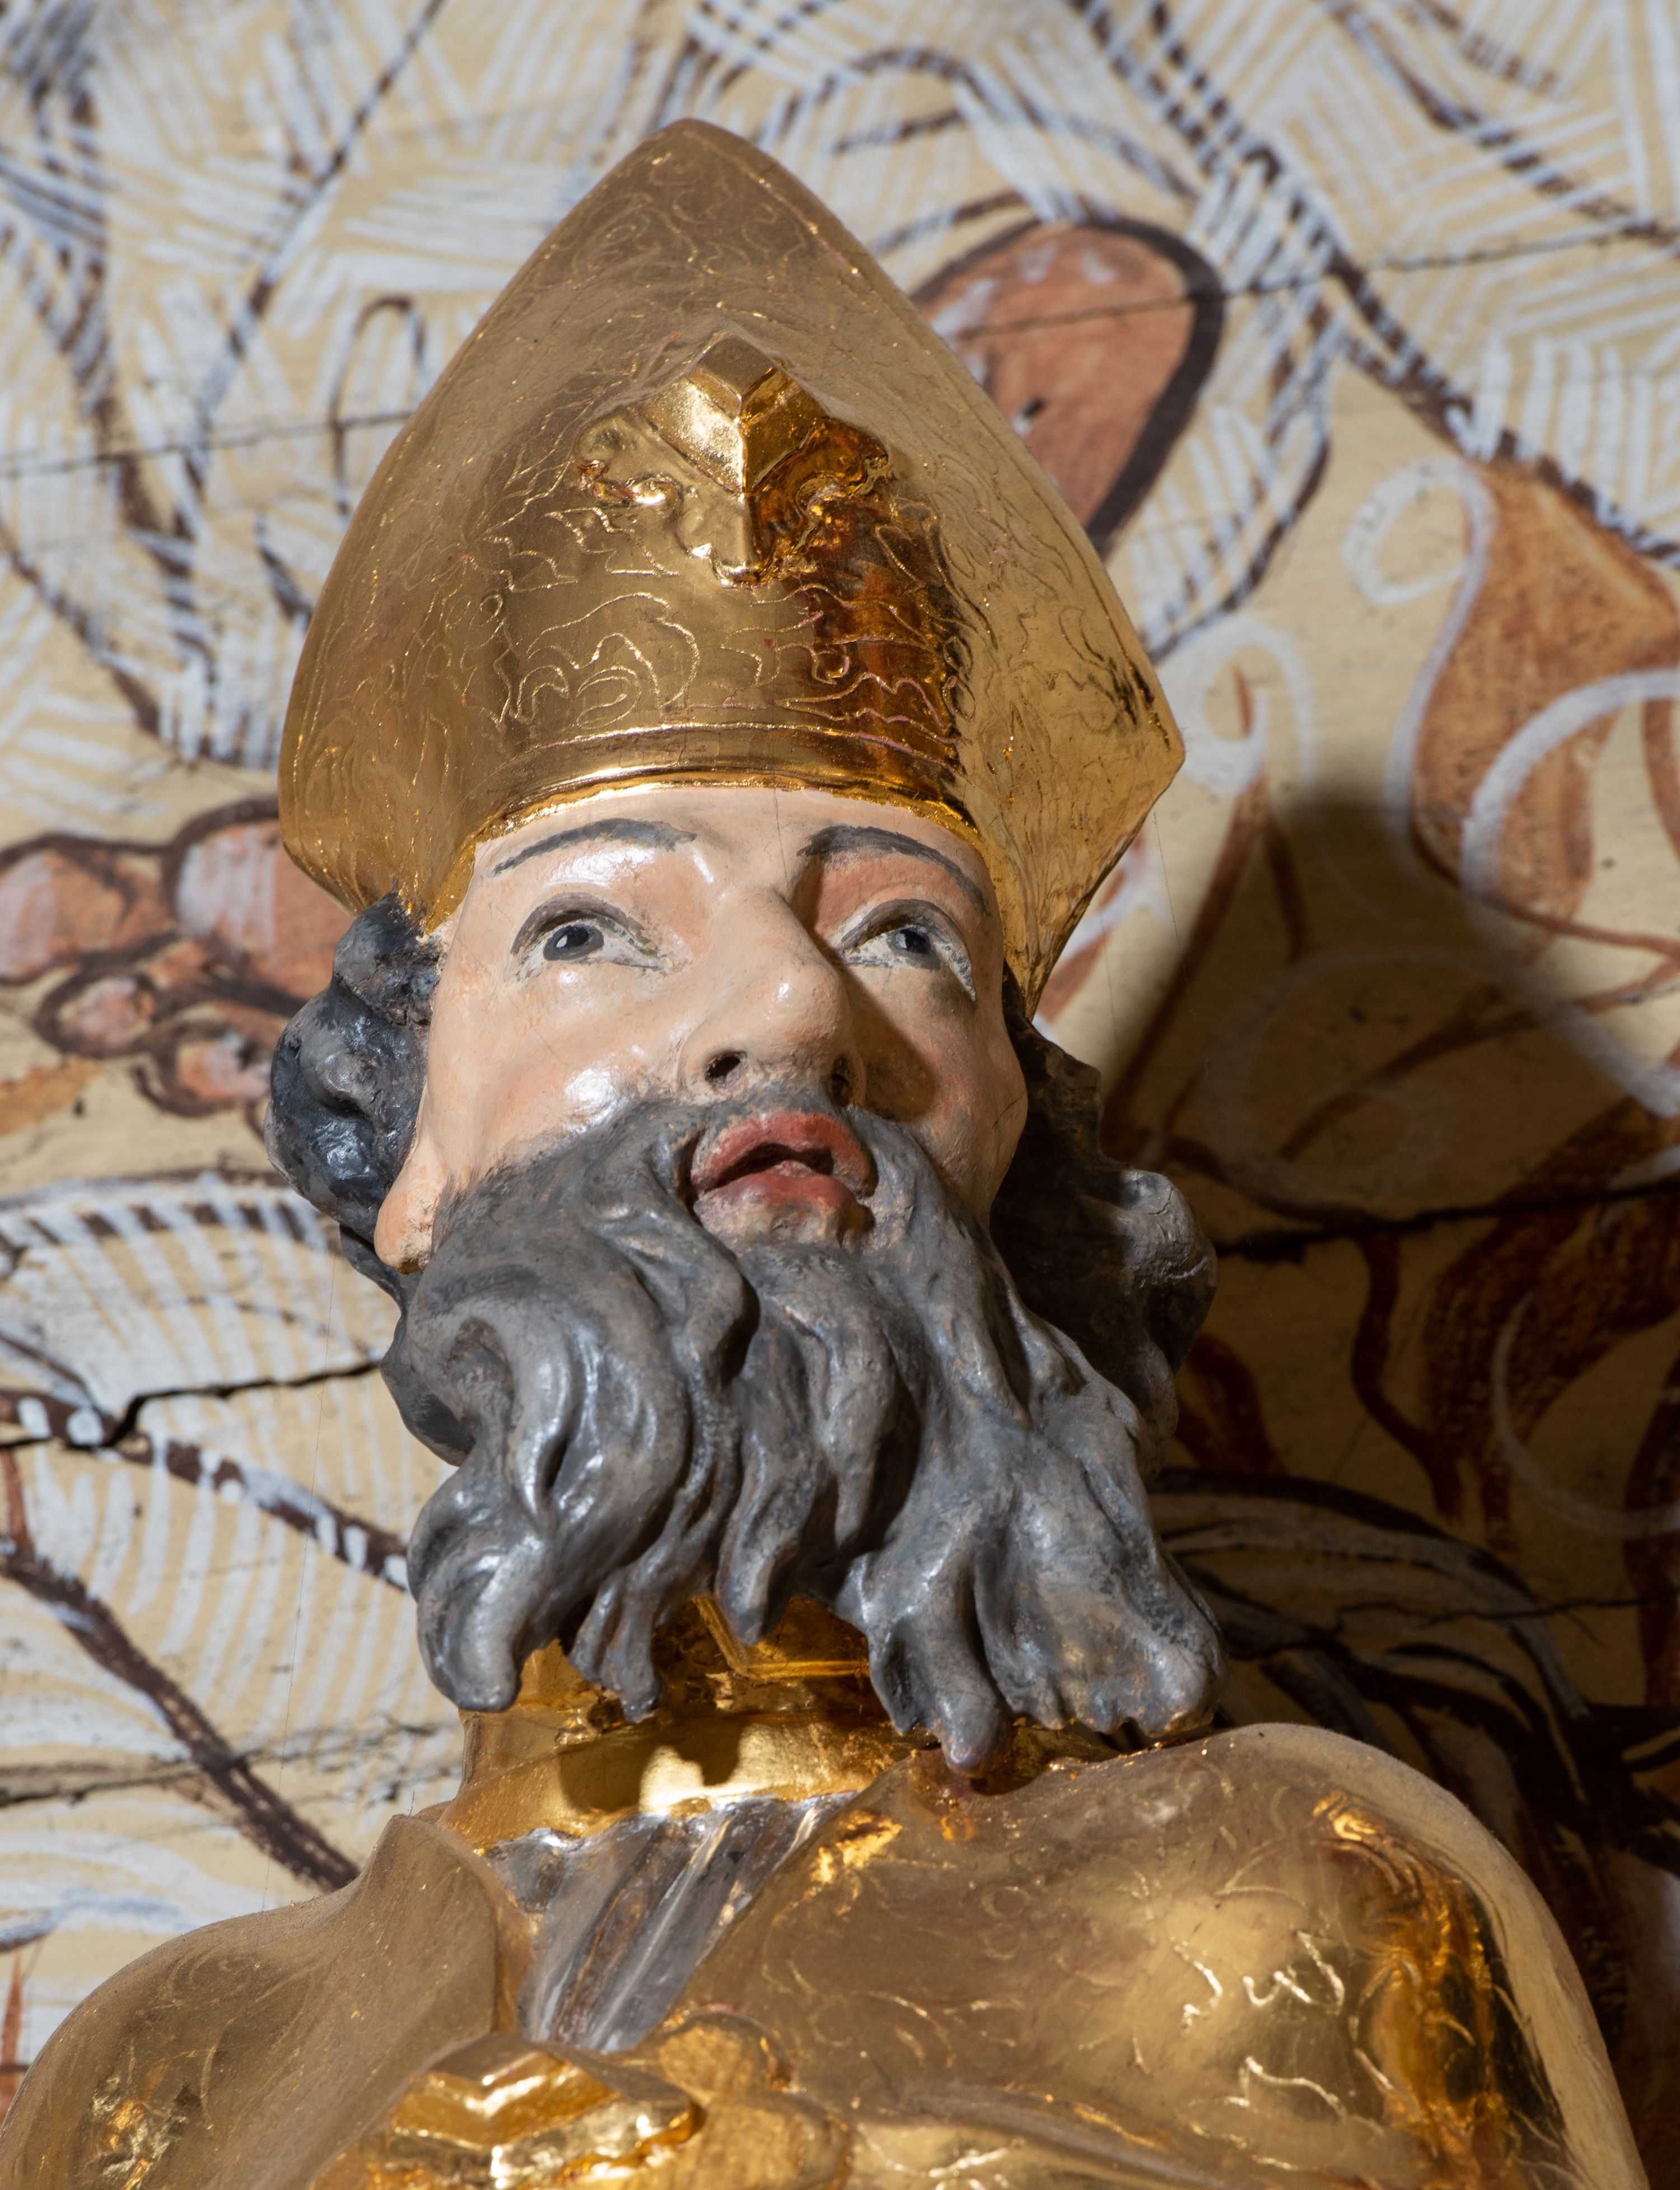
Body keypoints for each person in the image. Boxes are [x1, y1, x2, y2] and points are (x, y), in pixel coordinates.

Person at [0, 120, 1644, 2190]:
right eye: (593, 930)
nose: (788, 1007)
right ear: (405, 1146)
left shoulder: (1293, 1908)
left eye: (903, 934)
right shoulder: (175, 2085)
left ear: (1014, 1149)